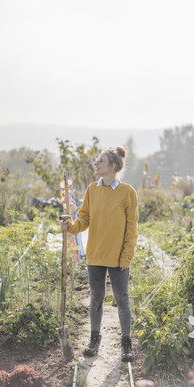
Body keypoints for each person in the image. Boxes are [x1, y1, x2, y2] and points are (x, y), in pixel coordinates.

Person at [60, 146, 138, 362]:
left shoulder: (128, 193)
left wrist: (126, 256)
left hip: (118, 256)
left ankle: (126, 342)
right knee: (96, 298)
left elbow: (131, 229)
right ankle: (94, 339)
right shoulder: (92, 190)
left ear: (112, 166)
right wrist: (72, 225)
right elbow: (84, 219)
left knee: (122, 299)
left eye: (100, 161)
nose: (96, 164)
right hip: (95, 254)